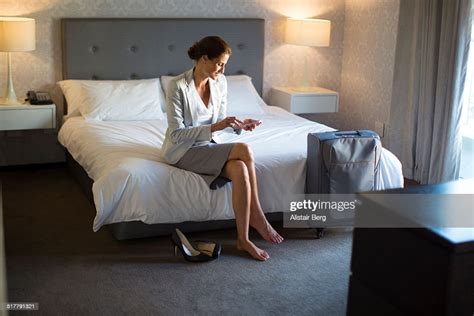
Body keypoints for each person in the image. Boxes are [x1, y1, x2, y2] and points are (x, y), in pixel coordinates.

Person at [161, 36, 283, 261]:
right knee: (244, 150)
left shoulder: (221, 82)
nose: (223, 69)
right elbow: (177, 135)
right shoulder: (177, 86)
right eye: (219, 63)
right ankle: (258, 216)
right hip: (183, 151)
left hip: (208, 146)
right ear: (204, 59)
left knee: (239, 169)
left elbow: (219, 124)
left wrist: (239, 125)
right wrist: (217, 126)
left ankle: (243, 239)